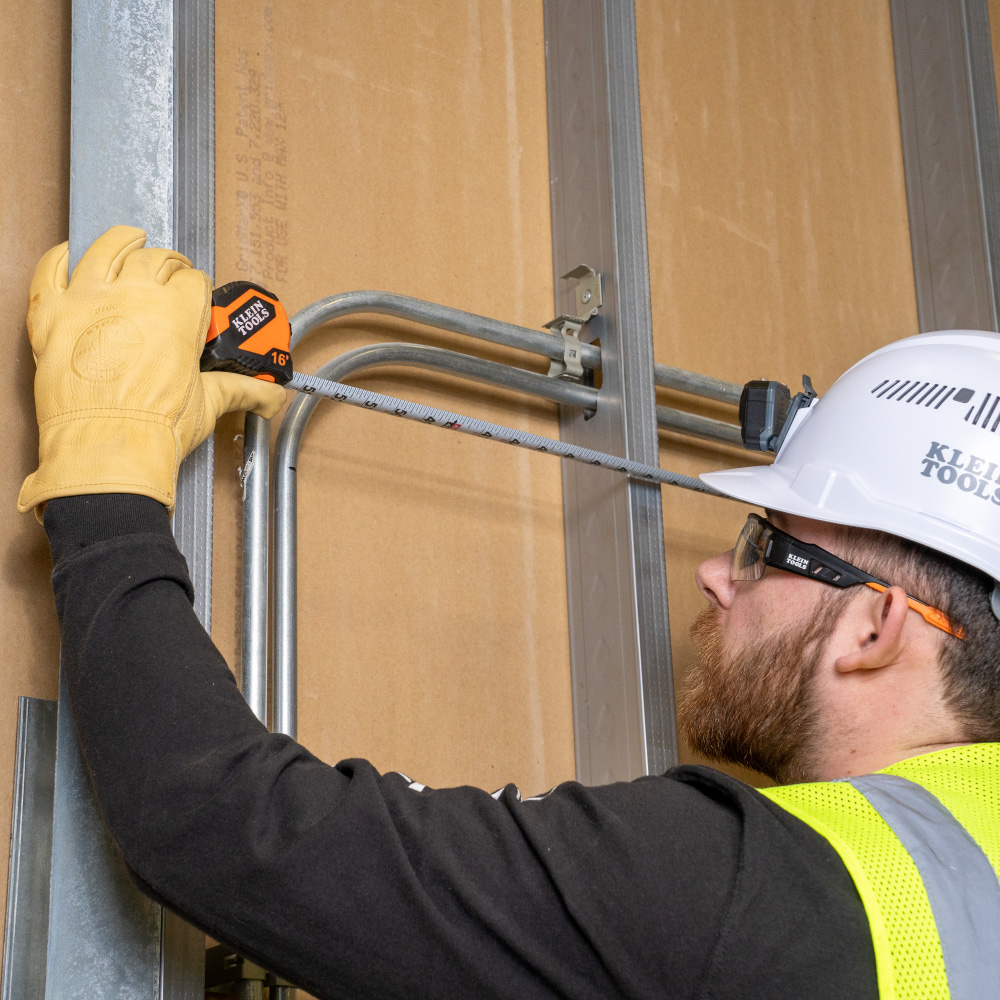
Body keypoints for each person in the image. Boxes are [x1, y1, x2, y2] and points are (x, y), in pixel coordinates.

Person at [21, 226, 1000, 999]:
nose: (715, 574)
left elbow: (233, 828)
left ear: (875, 627)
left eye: (763, 548)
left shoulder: (747, 888)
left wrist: (106, 484)